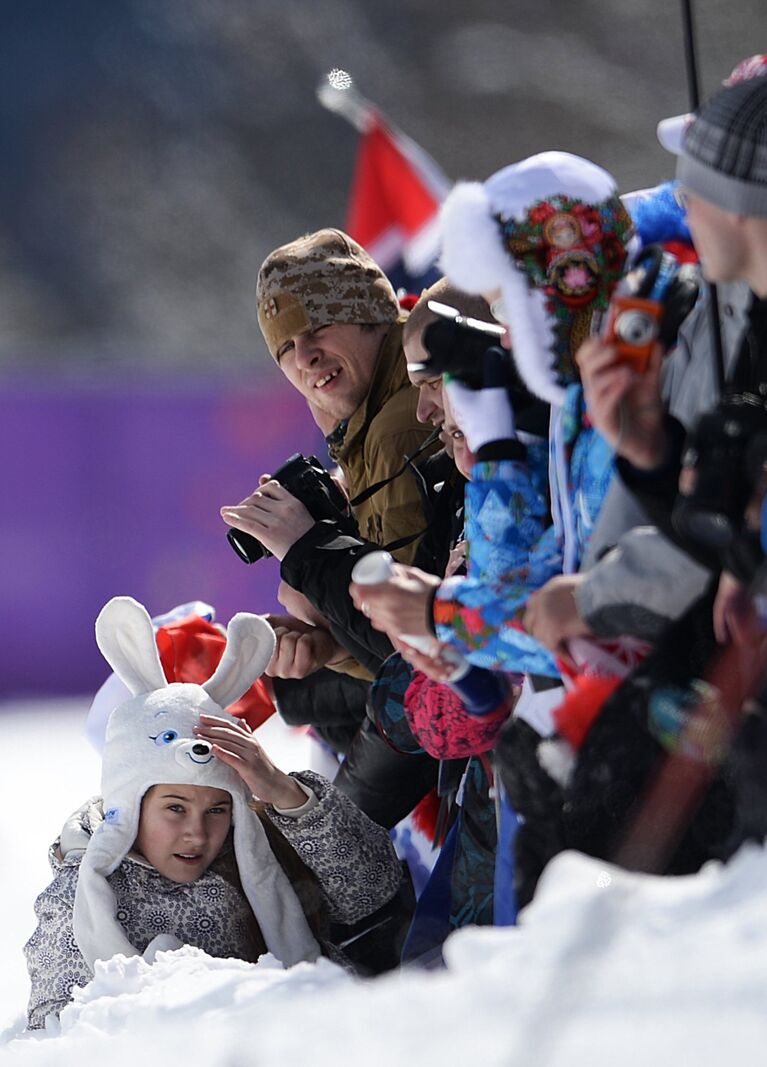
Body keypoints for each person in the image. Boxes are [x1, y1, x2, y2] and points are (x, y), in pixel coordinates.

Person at [23, 597, 403, 1029]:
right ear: (128, 805)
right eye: (174, 808)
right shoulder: (81, 894)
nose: (197, 833)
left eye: (218, 809)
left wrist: (286, 793)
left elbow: (373, 890)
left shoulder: (265, 845)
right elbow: (56, 1024)